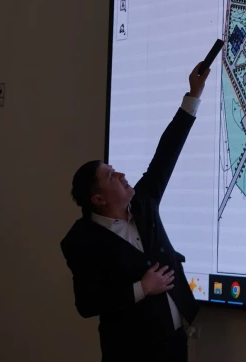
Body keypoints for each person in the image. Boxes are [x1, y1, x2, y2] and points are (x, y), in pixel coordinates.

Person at [60, 61, 210, 362]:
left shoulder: (143, 203)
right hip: (130, 352)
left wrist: (193, 94)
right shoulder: (81, 241)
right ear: (98, 199)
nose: (121, 175)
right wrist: (142, 288)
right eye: (110, 176)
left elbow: (166, 153)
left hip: (174, 344)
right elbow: (87, 304)